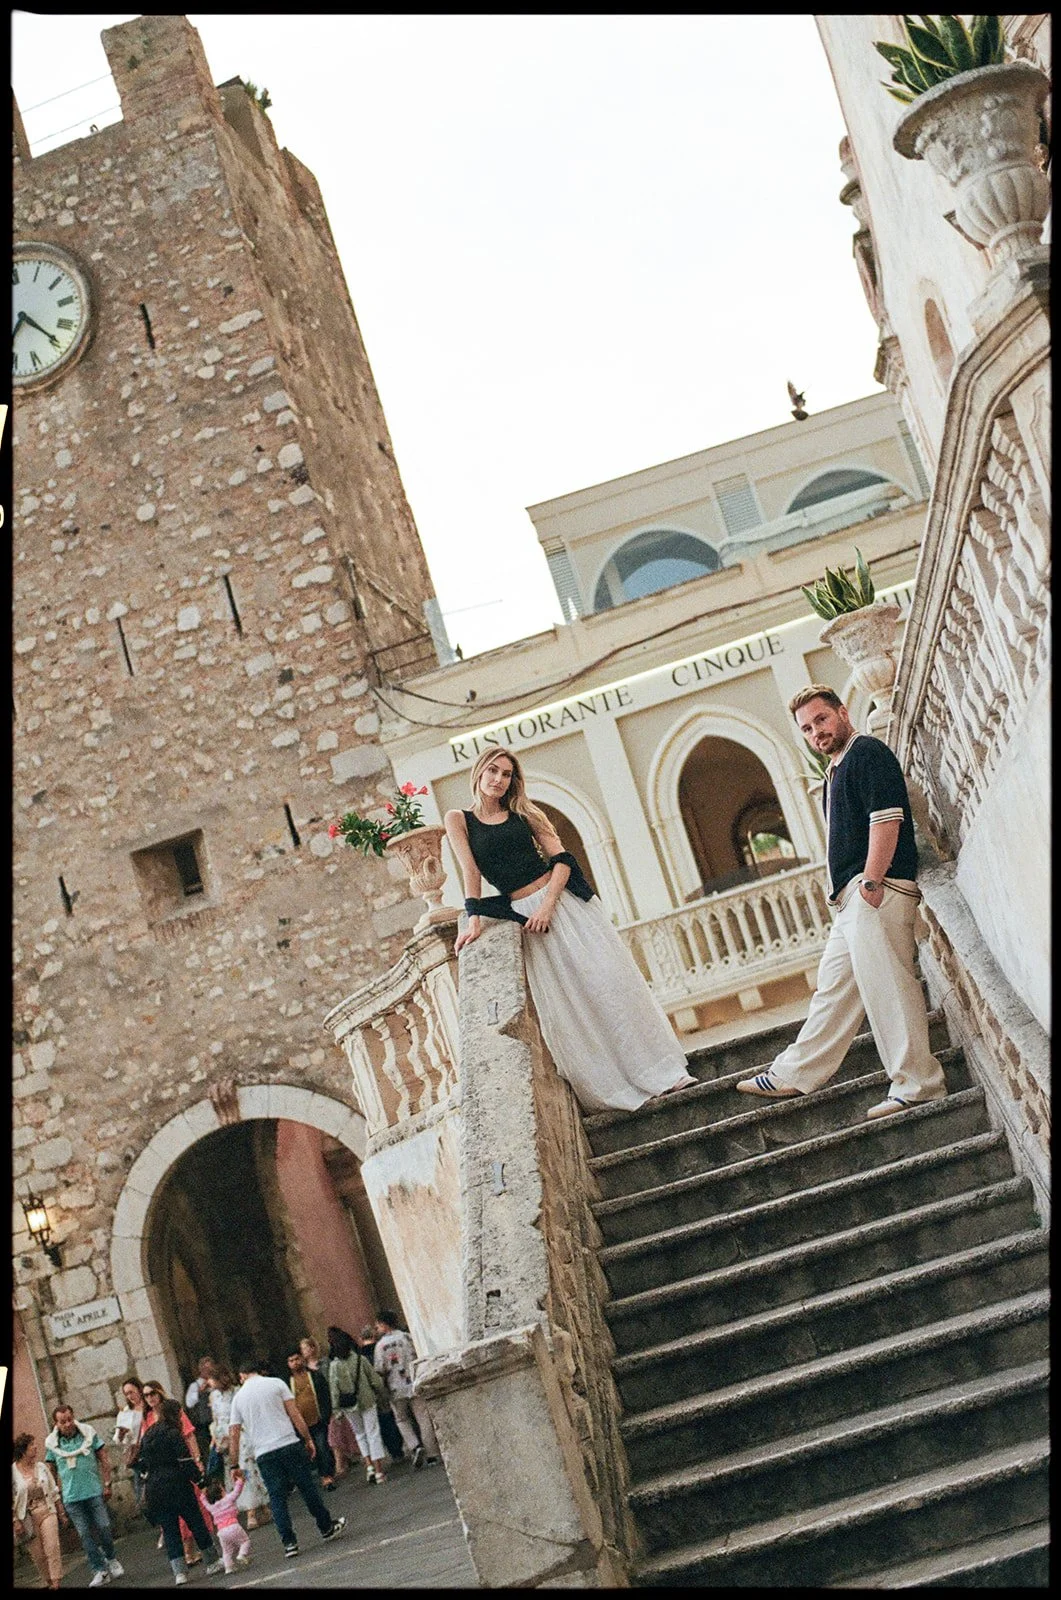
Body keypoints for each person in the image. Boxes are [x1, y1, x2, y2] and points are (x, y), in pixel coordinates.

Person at [444, 747, 696, 1112]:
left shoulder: (525, 814)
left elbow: (563, 861)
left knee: (610, 986)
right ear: (479, 772)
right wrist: (473, 918)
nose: (499, 780)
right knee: (572, 1006)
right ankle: (615, 1083)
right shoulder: (459, 820)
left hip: (563, 906)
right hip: (524, 918)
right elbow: (470, 872)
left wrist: (547, 907)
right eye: (493, 771)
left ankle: (662, 1072)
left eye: (507, 774)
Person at [737, 686, 947, 1117]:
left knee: (890, 988)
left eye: (822, 720)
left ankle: (918, 1083)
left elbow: (886, 819)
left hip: (876, 890)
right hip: (852, 900)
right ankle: (795, 1072)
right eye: (808, 728)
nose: (817, 732)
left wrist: (872, 882)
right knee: (832, 989)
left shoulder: (866, 753)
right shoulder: (835, 770)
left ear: (842, 713)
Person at [227, 1354, 346, 1560]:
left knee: (277, 1497)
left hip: (264, 1452)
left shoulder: (238, 1398)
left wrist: (233, 1464)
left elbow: (234, 1432)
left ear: (242, 1376)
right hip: (288, 1442)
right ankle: (326, 1526)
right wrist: (307, 1439)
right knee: (307, 1487)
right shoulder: (276, 1384)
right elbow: (295, 1414)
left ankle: (289, 1542)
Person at [137, 1397, 224, 1585]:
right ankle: (212, 1562)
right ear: (175, 1414)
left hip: (155, 1488)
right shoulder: (173, 1433)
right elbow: (185, 1462)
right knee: (195, 1521)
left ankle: (180, 1573)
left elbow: (141, 1464)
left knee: (170, 1530)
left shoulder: (148, 1434)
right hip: (177, 1485)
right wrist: (201, 1482)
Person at [43, 1404, 125, 1588]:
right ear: (56, 1424)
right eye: (63, 1421)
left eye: (70, 1419)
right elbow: (50, 1473)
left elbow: (104, 1458)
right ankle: (99, 1570)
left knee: (104, 1527)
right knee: (85, 1535)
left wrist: (107, 1483)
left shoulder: (88, 1434)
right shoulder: (52, 1444)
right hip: (72, 1497)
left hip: (94, 1491)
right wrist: (57, 1501)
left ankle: (111, 1559)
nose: (67, 1424)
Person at [136, 1381, 208, 1566]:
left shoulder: (172, 1410)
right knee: (178, 1513)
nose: (150, 1397)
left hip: (182, 1464)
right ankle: (188, 1551)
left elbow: (189, 1435)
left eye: (152, 1393)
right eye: (146, 1395)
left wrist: (197, 1459)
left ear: (160, 1393)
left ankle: (195, 1549)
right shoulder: (147, 1417)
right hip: (163, 1470)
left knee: (192, 1509)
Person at [373, 1310, 441, 1468]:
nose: (377, 1329)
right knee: (423, 1418)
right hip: (412, 1382)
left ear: (384, 1324)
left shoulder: (380, 1346)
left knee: (402, 1419)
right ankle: (432, 1453)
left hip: (395, 1387)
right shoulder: (407, 1337)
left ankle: (414, 1446)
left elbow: (379, 1369)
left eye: (378, 1325)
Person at [327, 1325, 390, 1486]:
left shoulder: (334, 1366)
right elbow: (376, 1380)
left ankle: (368, 1466)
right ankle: (379, 1470)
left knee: (360, 1434)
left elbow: (334, 1390)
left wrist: (336, 1410)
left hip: (348, 1406)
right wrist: (381, 1394)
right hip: (367, 1400)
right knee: (373, 1433)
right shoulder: (360, 1361)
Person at [207, 1364, 270, 1523]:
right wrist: (216, 1438)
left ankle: (251, 1512)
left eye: (212, 1378)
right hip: (224, 1437)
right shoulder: (214, 1397)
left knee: (246, 1470)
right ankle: (263, 1507)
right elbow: (215, 1418)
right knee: (234, 1474)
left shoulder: (237, 1392)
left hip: (240, 1435)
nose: (209, 1382)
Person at [13, 1432, 64, 1590]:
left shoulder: (41, 1467)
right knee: (38, 1554)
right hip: (26, 1516)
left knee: (52, 1546)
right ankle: (49, 1581)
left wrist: (61, 1512)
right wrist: (15, 1521)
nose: (36, 1448)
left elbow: (53, 1490)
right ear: (23, 1451)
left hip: (46, 1509)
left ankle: (56, 1583)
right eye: (32, 1445)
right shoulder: (13, 1472)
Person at [285, 1347, 337, 1488]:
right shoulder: (287, 1382)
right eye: (291, 1361)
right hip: (299, 1424)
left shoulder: (314, 1375)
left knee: (322, 1447)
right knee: (305, 1452)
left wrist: (326, 1415)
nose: (295, 1363)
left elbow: (325, 1395)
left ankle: (326, 1475)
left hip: (318, 1419)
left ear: (302, 1359)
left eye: (297, 1359)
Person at [358, 1325, 405, 1463]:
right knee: (393, 1417)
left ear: (361, 1339)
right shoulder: (380, 1348)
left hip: (371, 1392)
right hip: (388, 1385)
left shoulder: (360, 1356)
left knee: (382, 1421)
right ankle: (399, 1446)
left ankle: (393, 1450)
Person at [201, 1469, 252, 1573]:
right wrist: (239, 1481)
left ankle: (228, 1568)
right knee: (245, 1541)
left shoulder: (212, 1507)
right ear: (222, 1492)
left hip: (221, 1532)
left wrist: (202, 1496)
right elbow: (237, 1491)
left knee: (226, 1551)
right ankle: (242, 1555)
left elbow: (204, 1503)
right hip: (233, 1526)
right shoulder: (228, 1499)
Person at [112, 1377, 148, 1510]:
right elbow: (118, 1440)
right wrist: (122, 1433)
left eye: (131, 1392)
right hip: (139, 1454)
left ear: (139, 1389)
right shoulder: (126, 1412)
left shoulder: (149, 1406)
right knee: (142, 1495)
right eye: (126, 1394)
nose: (130, 1396)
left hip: (155, 1449)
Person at [183, 1356, 217, 1464]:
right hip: (204, 1425)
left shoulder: (216, 1382)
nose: (208, 1372)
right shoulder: (195, 1385)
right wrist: (199, 1391)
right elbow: (189, 1403)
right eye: (206, 1369)